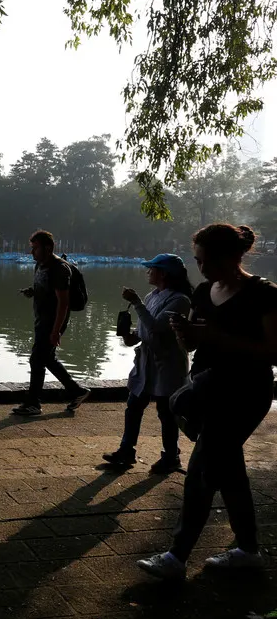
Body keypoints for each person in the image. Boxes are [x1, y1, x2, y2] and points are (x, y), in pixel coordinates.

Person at [137, 224, 277, 580]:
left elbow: (273, 351)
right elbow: (194, 347)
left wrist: (215, 335)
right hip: (206, 388)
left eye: (206, 260)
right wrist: (186, 336)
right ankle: (248, 549)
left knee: (202, 470)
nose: (200, 268)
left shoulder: (263, 293)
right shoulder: (203, 291)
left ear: (232, 257)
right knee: (228, 470)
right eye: (197, 261)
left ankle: (176, 556)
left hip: (246, 392)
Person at [103, 254, 193, 474]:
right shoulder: (153, 296)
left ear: (163, 273)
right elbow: (143, 331)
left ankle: (171, 456)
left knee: (166, 413)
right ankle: (126, 450)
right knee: (133, 406)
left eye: (151, 268)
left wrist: (135, 303)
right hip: (146, 363)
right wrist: (129, 336)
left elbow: (156, 327)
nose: (148, 271)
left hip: (167, 365)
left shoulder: (180, 300)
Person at [11, 230, 90, 417]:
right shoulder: (40, 265)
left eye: (35, 248)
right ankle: (77, 391)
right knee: (46, 359)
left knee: (37, 359)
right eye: (32, 248)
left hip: (52, 321)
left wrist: (56, 331)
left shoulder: (60, 269)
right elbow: (47, 290)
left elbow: (63, 303)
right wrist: (33, 291)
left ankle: (33, 403)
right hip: (41, 320)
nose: (32, 252)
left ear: (48, 248)